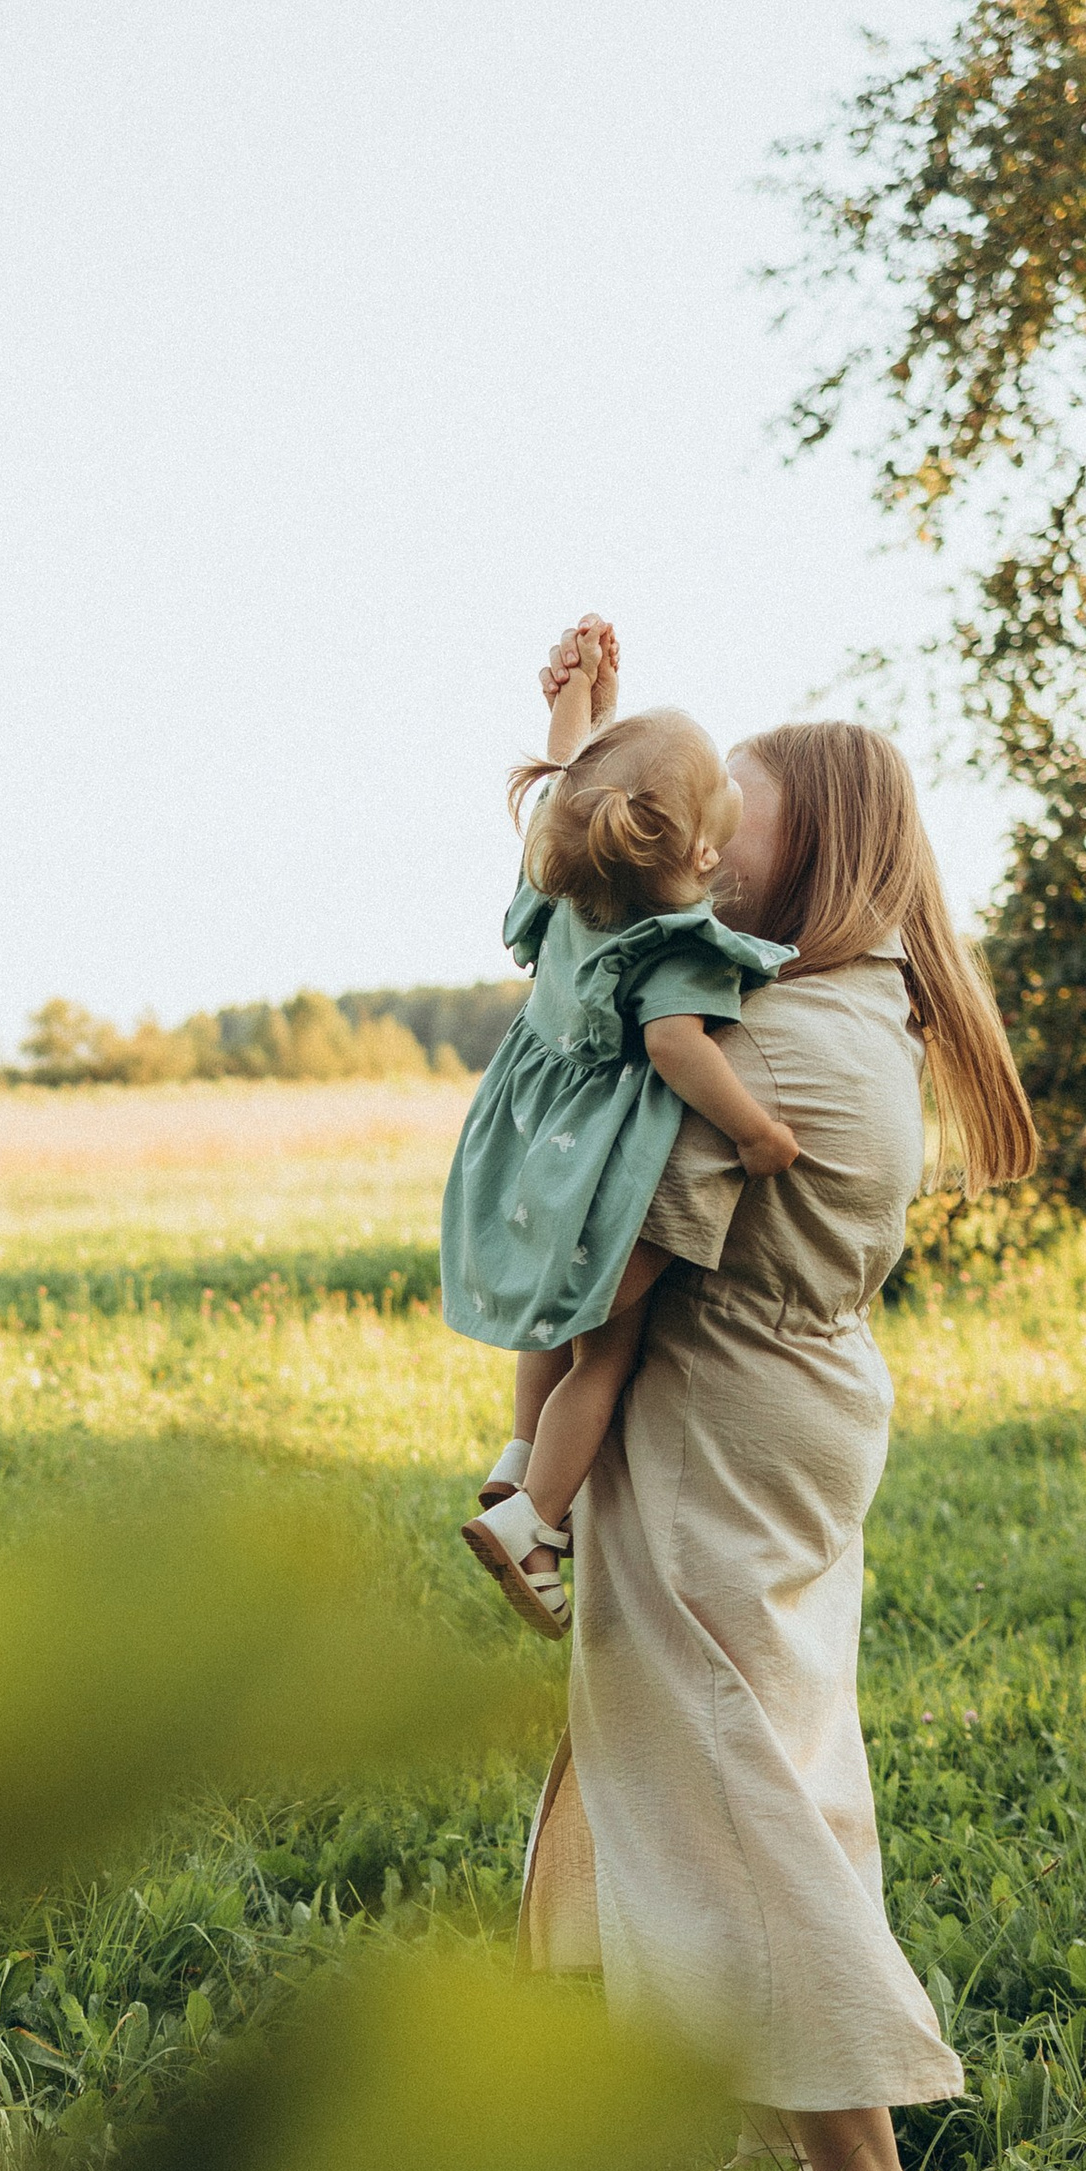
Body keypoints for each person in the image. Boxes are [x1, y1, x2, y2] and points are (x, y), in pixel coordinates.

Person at [510, 636, 1036, 2171]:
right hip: (785, 1411)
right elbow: (597, 904)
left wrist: (527, 1484)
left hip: (723, 1424)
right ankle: (772, 2137)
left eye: (745, 818)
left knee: (732, 1780)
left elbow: (596, 1260)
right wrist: (573, 741)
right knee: (747, 1760)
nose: (713, 834)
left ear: (823, 851)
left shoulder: (777, 1050)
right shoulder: (847, 1010)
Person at [445, 620, 803, 1636]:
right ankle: (536, 1523)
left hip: (526, 1146)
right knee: (604, 1356)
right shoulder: (677, 944)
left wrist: (583, 699)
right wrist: (756, 1134)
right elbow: (677, 1051)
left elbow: (566, 778)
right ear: (699, 851)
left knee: (551, 1328)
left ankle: (518, 1454)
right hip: (604, 1167)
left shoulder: (561, 887)